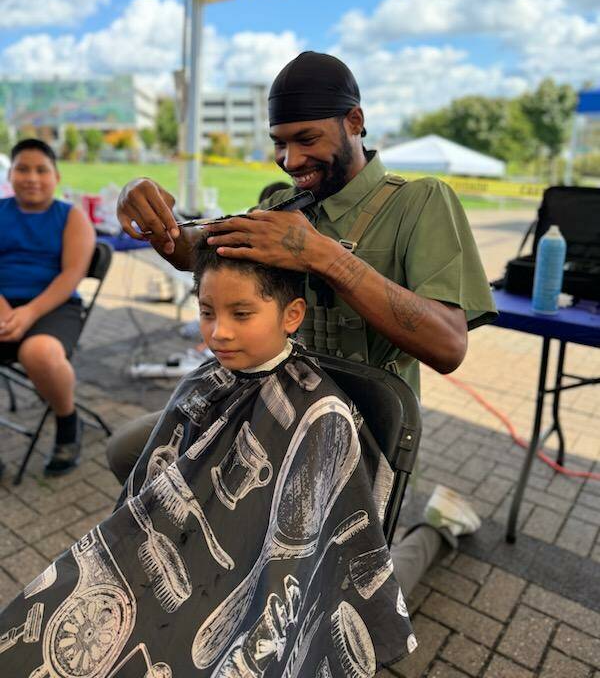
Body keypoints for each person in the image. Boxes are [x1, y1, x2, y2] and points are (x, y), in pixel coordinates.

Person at [112, 51, 496, 590]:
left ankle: (434, 532)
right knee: (129, 452)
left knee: (351, 599)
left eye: (306, 139)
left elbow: (448, 344)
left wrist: (324, 256)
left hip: (357, 432)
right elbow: (195, 250)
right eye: (279, 143)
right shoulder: (283, 202)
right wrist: (149, 212)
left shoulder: (420, 203)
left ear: (355, 123)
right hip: (270, 409)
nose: (290, 160)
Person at [0, 245, 418, 676]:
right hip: (193, 554)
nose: (218, 333)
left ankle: (433, 531)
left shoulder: (321, 412)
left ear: (292, 316)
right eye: (207, 312)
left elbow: (308, 551)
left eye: (241, 315)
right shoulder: (206, 380)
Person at [0, 139, 96, 476]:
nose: (32, 177)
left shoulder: (71, 217)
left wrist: (28, 313)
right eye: (22, 169)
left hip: (55, 306)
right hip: (2, 305)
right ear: (10, 175)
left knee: (39, 353)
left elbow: (71, 276)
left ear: (56, 176)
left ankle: (68, 423)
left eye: (41, 169)